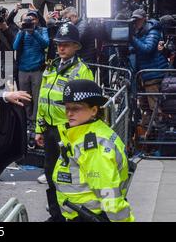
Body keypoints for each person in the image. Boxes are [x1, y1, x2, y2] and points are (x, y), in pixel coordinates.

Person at [35, 22, 94, 222]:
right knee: (51, 174)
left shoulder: (82, 71)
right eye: (59, 44)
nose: (61, 48)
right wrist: (38, 129)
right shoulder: (50, 67)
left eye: (66, 44)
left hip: (69, 133)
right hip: (50, 131)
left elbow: (87, 107)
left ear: (76, 46)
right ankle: (56, 215)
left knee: (69, 178)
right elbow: (42, 101)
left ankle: (70, 216)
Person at [54, 79, 135, 222]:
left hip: (91, 216)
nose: (69, 113)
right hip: (83, 213)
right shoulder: (83, 134)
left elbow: (107, 192)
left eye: (76, 108)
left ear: (94, 110)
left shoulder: (93, 144)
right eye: (67, 108)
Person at [129, 9, 169, 128]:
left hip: (153, 74)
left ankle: (159, 133)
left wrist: (131, 38)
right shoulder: (139, 31)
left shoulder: (153, 30)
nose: (135, 22)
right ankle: (148, 132)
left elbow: (147, 48)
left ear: (144, 19)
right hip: (144, 74)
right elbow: (137, 48)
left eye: (138, 19)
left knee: (155, 107)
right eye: (134, 19)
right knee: (145, 106)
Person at [13, 10, 49, 133]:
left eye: (33, 19)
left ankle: (35, 120)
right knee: (25, 97)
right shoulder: (21, 31)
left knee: (37, 96)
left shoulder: (42, 30)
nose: (31, 21)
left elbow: (45, 44)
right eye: (28, 20)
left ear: (37, 20)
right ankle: (28, 119)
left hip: (37, 69)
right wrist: (21, 31)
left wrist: (33, 32)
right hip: (23, 69)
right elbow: (15, 47)